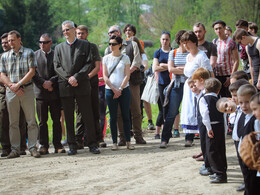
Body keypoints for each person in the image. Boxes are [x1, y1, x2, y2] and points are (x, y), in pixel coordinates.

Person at [53, 20, 100, 155]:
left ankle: (92, 144)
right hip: (66, 86)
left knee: (87, 115)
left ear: (74, 29)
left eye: (67, 29)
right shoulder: (58, 48)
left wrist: (77, 77)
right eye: (63, 31)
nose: (65, 32)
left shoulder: (85, 45)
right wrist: (69, 78)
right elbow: (57, 66)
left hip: (82, 85)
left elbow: (88, 63)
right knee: (68, 117)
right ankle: (72, 145)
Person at [0, 30, 40, 158]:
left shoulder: (29, 53)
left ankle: (33, 147)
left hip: (26, 90)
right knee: (13, 122)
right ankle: (15, 149)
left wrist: (19, 84)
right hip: (11, 91)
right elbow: (2, 75)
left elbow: (32, 72)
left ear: (19, 39)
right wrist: (13, 86)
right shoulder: (5, 56)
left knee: (31, 121)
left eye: (12, 40)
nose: (10, 43)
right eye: (9, 41)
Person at [105, 25, 146, 145]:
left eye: (112, 32)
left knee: (136, 110)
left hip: (131, 82)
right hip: (114, 85)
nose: (110, 34)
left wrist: (126, 74)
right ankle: (122, 137)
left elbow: (137, 62)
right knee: (117, 112)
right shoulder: (108, 49)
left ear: (119, 32)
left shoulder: (132, 45)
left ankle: (138, 135)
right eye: (109, 33)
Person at [32, 33, 65, 155]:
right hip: (40, 93)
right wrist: (43, 83)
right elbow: (33, 74)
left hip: (54, 93)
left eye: (45, 42)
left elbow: (61, 71)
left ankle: (58, 144)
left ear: (50, 42)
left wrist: (51, 82)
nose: (42, 45)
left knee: (56, 120)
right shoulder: (34, 55)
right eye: (40, 42)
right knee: (42, 121)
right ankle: (43, 145)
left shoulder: (56, 54)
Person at [180, 31, 213, 146]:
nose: (186, 46)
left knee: (200, 112)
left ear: (194, 42)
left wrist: (207, 89)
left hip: (199, 88)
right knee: (189, 111)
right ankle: (189, 137)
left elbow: (209, 73)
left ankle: (204, 139)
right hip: (188, 87)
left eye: (187, 43)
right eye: (184, 43)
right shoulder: (188, 56)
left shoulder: (201, 56)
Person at [75, 24, 106, 148]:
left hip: (92, 83)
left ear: (87, 34)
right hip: (78, 84)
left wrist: (86, 77)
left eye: (82, 33)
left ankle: (96, 138)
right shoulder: (74, 47)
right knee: (80, 113)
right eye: (78, 33)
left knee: (94, 111)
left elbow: (97, 66)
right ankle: (79, 139)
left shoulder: (92, 47)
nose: (80, 35)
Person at [103, 35, 134, 150]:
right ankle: (114, 142)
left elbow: (127, 75)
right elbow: (105, 76)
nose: (111, 46)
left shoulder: (125, 58)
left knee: (126, 116)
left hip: (124, 90)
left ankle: (128, 141)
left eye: (114, 44)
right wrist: (113, 89)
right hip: (110, 90)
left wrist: (120, 89)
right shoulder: (105, 58)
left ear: (120, 45)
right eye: (110, 44)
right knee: (113, 116)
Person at [159, 30, 188, 148]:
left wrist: (178, 68)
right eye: (184, 41)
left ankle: (189, 137)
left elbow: (194, 69)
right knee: (172, 112)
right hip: (176, 85)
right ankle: (165, 138)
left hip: (189, 86)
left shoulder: (191, 54)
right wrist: (185, 69)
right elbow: (170, 69)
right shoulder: (173, 53)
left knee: (189, 112)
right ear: (180, 41)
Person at [0, 33, 28, 157]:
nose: (5, 44)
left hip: (20, 89)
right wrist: (10, 85)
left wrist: (17, 86)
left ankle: (21, 145)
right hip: (4, 91)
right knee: (4, 117)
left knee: (21, 118)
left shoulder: (20, 55)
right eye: (3, 43)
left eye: (7, 41)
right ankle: (6, 146)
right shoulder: (2, 57)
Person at [198, 78, 227, 183]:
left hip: (211, 127)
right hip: (220, 126)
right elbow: (224, 115)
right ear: (218, 90)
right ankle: (222, 171)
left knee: (212, 151)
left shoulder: (203, 99)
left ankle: (219, 174)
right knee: (220, 149)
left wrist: (208, 128)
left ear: (205, 89)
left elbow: (205, 115)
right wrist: (225, 129)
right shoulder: (220, 99)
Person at [236, 84, 258, 194]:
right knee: (248, 183)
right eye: (240, 103)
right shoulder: (242, 116)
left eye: (247, 102)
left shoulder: (255, 120)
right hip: (244, 160)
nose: (243, 105)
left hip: (254, 162)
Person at [212, 20, 239, 97]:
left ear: (224, 28)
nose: (218, 30)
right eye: (216, 29)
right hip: (216, 74)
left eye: (220, 28)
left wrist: (231, 77)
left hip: (227, 75)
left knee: (228, 97)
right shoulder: (214, 41)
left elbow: (236, 61)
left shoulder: (231, 42)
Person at [153, 31, 172, 139]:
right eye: (163, 39)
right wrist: (169, 66)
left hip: (172, 82)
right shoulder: (157, 53)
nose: (165, 41)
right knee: (163, 107)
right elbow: (155, 68)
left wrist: (164, 65)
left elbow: (176, 67)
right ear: (160, 40)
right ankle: (163, 132)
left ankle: (169, 130)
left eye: (167, 39)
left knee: (171, 108)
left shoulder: (173, 52)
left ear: (169, 40)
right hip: (161, 82)